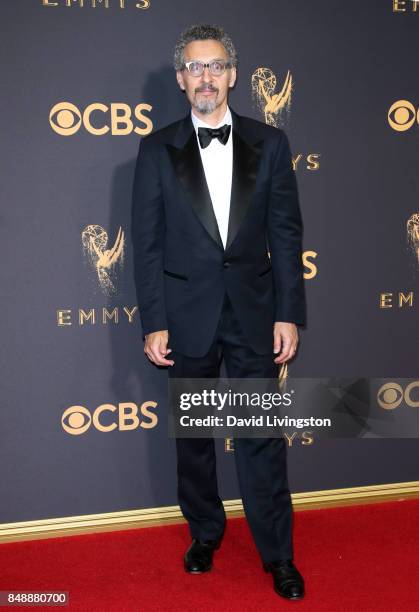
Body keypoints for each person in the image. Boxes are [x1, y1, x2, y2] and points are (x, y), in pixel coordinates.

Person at [131, 23, 306, 601]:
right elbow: (148, 242)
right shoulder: (156, 149)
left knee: (261, 435)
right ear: (181, 79)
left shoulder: (271, 143)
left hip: (255, 314)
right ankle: (204, 531)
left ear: (232, 74)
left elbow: (286, 233)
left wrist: (289, 313)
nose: (205, 77)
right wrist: (154, 320)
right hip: (186, 316)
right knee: (195, 437)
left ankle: (278, 554)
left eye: (215, 66)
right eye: (194, 67)